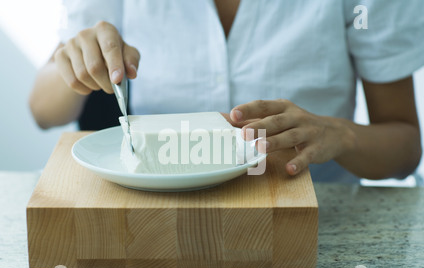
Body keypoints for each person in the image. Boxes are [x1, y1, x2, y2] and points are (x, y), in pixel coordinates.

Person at [29, 0, 424, 183]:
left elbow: (406, 147)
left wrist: (342, 134)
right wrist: (76, 63)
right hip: (152, 215)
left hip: (316, 215)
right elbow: (42, 110)